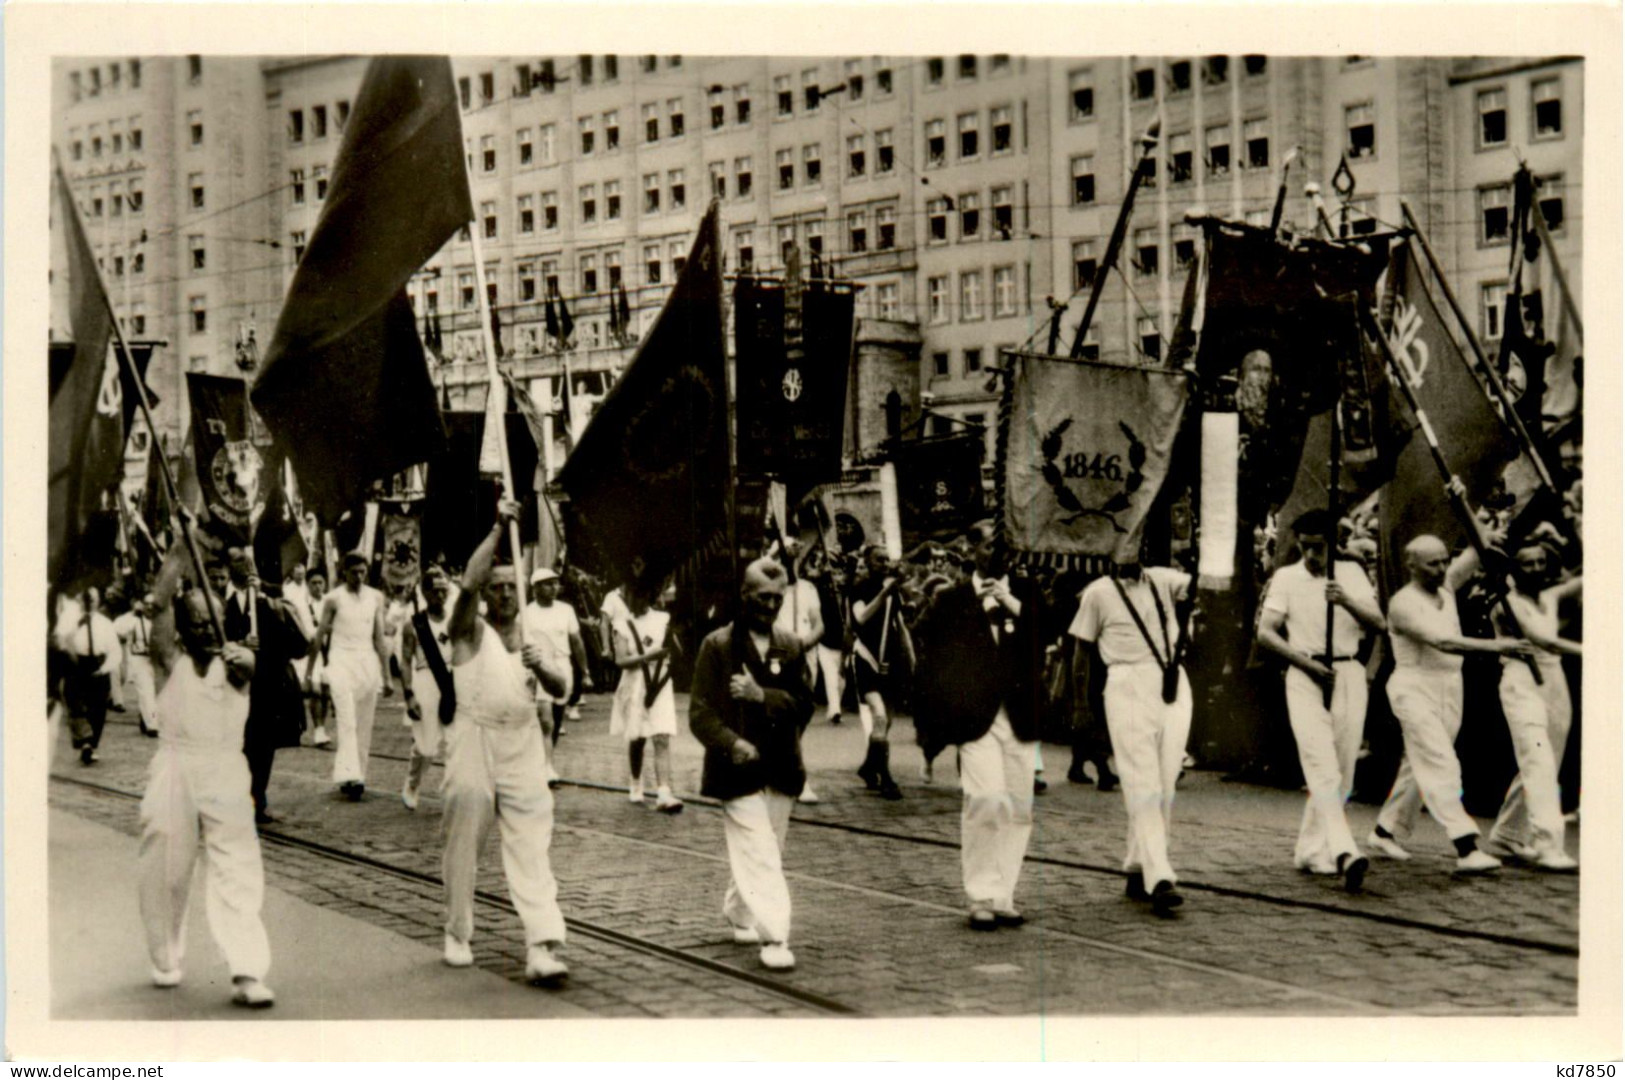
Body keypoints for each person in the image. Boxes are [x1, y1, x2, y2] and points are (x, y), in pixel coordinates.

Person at [442, 499, 571, 985]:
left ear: (518, 593)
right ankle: (457, 931)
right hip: (474, 738)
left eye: (507, 589)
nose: (501, 596)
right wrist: (498, 526)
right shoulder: (469, 631)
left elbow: (563, 690)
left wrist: (544, 667)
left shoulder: (533, 635)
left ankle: (541, 944)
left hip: (522, 744)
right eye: (494, 590)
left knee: (532, 843)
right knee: (464, 837)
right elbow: (469, 582)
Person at [138, 566, 275, 1008]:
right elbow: (158, 612)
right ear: (182, 626)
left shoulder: (236, 660)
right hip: (175, 762)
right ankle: (165, 954)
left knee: (235, 862)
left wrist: (248, 661)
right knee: (165, 857)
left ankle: (247, 969)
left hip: (224, 766)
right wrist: (177, 556)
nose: (203, 628)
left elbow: (250, 668)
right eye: (193, 621)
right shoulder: (168, 662)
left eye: (208, 620)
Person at [1367, 528, 1533, 872]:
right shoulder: (1402, 604)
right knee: (1440, 761)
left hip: (1449, 686)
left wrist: (1476, 519)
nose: (1441, 569)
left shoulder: (1444, 586)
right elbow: (1443, 641)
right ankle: (1466, 846)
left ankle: (1385, 831)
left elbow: (1473, 549)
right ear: (1411, 565)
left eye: (1444, 561)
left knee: (1419, 763)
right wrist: (1497, 646)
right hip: (1414, 688)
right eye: (1431, 564)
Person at [912, 528, 1046, 930]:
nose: (1000, 554)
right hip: (975, 719)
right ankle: (981, 895)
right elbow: (931, 661)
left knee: (1019, 808)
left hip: (1020, 715)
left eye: (1006, 547)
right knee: (987, 799)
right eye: (991, 546)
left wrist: (1013, 604)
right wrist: (935, 724)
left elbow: (1048, 634)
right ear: (973, 551)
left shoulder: (1026, 592)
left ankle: (1004, 894)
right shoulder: (952, 600)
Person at [688, 558, 814, 971]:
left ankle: (739, 911)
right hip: (736, 770)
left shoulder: (791, 646)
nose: (770, 606)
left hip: (781, 767)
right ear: (744, 595)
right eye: (762, 597)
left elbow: (805, 707)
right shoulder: (717, 646)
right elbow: (700, 713)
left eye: (778, 599)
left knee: (767, 849)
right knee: (759, 851)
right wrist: (732, 742)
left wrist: (764, 697)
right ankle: (776, 936)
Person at [1256, 510, 1386, 892]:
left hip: (1347, 672)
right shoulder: (1285, 578)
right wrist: (1305, 663)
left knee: (1342, 768)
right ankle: (1345, 851)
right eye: (1306, 546)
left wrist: (1344, 600)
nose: (1312, 555)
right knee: (1320, 764)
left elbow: (1379, 623)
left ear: (1335, 543)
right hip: (1305, 674)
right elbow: (1266, 633)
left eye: (1320, 547)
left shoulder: (1351, 575)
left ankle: (1312, 849)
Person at [1071, 550, 1193, 916]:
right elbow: (1080, 651)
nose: (1130, 552)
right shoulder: (1097, 593)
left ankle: (1139, 864)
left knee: (1166, 783)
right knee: (1143, 783)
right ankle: (1160, 877)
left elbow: (1202, 588)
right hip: (1126, 683)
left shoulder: (1163, 578)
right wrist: (1079, 705)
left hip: (1171, 680)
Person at [1483, 538, 1582, 871]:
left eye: (1541, 562)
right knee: (1538, 760)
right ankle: (1548, 844)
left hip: (1554, 682)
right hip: (1520, 680)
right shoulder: (1505, 605)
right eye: (1528, 563)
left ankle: (1507, 836)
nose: (1537, 569)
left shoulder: (1550, 596)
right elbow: (1543, 640)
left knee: (1545, 762)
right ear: (1515, 568)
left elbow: (1589, 579)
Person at [219, 550, 310, 826]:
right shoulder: (219, 603)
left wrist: (270, 605)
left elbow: (298, 645)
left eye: (248, 560)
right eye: (237, 560)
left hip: (267, 685)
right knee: (235, 744)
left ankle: (257, 798)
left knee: (263, 745)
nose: (245, 565)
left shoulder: (269, 601)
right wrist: (240, 646)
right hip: (232, 686)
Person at [312, 553, 388, 800]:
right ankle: (350, 776)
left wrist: (387, 675)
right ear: (344, 572)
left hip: (366, 661)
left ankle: (358, 774)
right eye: (354, 572)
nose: (359, 576)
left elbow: (379, 637)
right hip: (340, 660)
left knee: (364, 722)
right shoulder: (333, 598)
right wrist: (308, 670)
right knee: (347, 718)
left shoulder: (376, 597)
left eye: (362, 572)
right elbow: (320, 634)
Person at [610, 579, 683, 812]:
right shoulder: (621, 624)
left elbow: (675, 649)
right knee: (638, 738)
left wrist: (675, 648)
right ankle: (635, 781)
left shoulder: (663, 619)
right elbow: (620, 660)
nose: (631, 601)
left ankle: (664, 792)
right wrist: (647, 658)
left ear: (646, 597)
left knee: (661, 736)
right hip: (634, 685)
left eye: (636, 596)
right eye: (628, 597)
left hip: (659, 683)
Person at [848, 546, 909, 800]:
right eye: (878, 560)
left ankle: (868, 767)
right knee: (880, 717)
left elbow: (901, 626)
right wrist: (884, 593)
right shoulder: (859, 589)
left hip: (890, 661)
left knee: (887, 722)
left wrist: (912, 660)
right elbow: (860, 618)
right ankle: (886, 778)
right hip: (867, 659)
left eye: (887, 559)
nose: (884, 563)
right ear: (868, 562)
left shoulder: (895, 592)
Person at [772, 539, 826, 804]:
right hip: (778, 655)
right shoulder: (770, 588)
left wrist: (805, 643)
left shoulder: (807, 588)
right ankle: (798, 778)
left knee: (802, 713)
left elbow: (818, 624)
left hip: (804, 655)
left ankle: (785, 766)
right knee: (785, 714)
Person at [400, 565, 457, 811]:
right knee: (426, 746)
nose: (441, 596)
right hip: (425, 681)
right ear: (425, 593)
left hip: (453, 681)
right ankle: (412, 783)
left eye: (445, 591)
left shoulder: (456, 621)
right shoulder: (414, 625)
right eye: (436, 591)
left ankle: (451, 790)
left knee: (456, 741)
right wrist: (409, 694)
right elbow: (405, 660)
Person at [523, 567, 592, 751]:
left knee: (556, 716)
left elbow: (576, 642)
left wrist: (585, 672)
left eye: (555, 584)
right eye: (547, 585)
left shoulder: (566, 610)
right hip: (539, 668)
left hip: (563, 665)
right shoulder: (526, 612)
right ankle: (542, 763)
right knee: (545, 719)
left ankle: (547, 756)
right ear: (536, 588)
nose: (553, 588)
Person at [58, 586, 121, 765]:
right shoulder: (69, 621)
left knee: (98, 708)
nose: (89, 602)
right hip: (76, 664)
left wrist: (104, 669)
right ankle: (85, 742)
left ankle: (91, 744)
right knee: (75, 705)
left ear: (98, 601)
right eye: (85, 599)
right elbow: (60, 643)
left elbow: (115, 651)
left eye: (92, 599)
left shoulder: (105, 624)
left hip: (98, 666)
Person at [112, 593, 160, 738]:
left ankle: (146, 718)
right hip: (140, 660)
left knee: (157, 693)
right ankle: (153, 725)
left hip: (158, 661)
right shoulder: (134, 620)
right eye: (147, 603)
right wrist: (132, 613)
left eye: (153, 604)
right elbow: (116, 628)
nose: (150, 607)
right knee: (146, 691)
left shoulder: (163, 620)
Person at [300, 569, 334, 749]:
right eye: (313, 583)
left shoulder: (331, 602)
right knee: (315, 690)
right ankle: (318, 729)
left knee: (326, 691)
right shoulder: (304, 605)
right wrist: (321, 630)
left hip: (331, 650)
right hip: (314, 651)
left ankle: (322, 727)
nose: (317, 586)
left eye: (320, 582)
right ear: (307, 585)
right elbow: (306, 630)